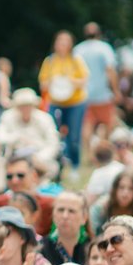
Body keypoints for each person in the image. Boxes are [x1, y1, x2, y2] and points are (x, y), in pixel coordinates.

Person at [0, 88, 61, 192]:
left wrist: (40, 156)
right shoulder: (8, 117)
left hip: (39, 157)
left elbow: (53, 143)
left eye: (28, 105)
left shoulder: (44, 119)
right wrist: (15, 138)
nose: (25, 109)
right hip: (14, 156)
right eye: (22, 106)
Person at [38, 31, 89, 169]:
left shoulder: (76, 60)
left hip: (75, 102)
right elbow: (43, 84)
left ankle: (75, 165)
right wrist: (52, 83)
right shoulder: (50, 61)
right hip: (55, 102)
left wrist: (69, 82)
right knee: (53, 134)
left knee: (73, 136)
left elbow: (84, 80)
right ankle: (56, 162)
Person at [74, 23, 121, 148]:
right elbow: (110, 70)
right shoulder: (104, 48)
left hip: (83, 95)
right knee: (107, 123)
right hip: (102, 94)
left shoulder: (78, 49)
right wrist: (116, 90)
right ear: (99, 33)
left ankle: (89, 153)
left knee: (87, 124)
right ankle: (104, 149)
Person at [0, 154, 56, 237]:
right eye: (9, 176)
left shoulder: (49, 205)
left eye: (20, 175)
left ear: (34, 176)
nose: (14, 181)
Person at [40, 190, 90, 265]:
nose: (65, 216)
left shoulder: (92, 248)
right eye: (61, 210)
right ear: (53, 215)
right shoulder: (41, 247)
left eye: (71, 211)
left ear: (84, 217)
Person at [90, 169, 133, 236]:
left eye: (131, 189)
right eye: (121, 187)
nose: (125, 193)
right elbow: (91, 233)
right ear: (115, 189)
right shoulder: (101, 208)